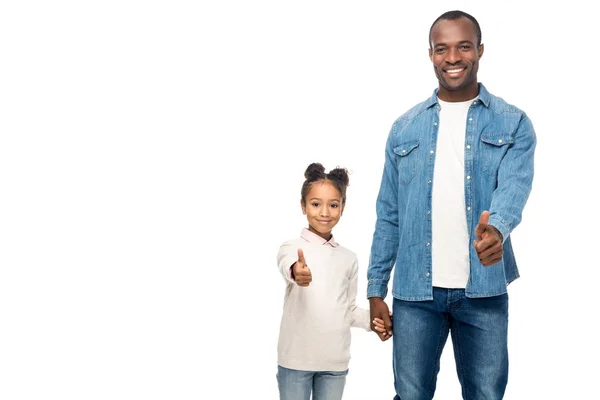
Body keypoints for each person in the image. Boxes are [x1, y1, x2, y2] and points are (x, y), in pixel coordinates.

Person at [366, 10, 536, 400]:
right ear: (431, 55)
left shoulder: (513, 123)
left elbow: (514, 187)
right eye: (442, 49)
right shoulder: (404, 128)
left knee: (486, 395)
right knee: (410, 396)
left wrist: (497, 228)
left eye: (463, 46)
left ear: (479, 50)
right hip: (414, 295)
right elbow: (388, 214)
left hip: (484, 292)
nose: (453, 57)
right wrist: (377, 288)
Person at [276, 162, 388, 400]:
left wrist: (375, 321)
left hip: (334, 363)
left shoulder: (348, 258)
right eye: (316, 204)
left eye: (333, 205)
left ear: (342, 207)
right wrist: (297, 272)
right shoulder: (292, 247)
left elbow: (347, 309)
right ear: (303, 206)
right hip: (296, 360)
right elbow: (288, 266)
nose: (325, 212)